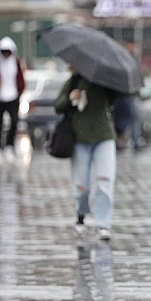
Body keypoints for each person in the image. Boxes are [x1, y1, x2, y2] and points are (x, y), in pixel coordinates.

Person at [53, 69, 121, 241]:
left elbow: (121, 96)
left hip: (104, 137)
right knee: (82, 186)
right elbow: (57, 105)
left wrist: (110, 82)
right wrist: (70, 98)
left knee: (105, 182)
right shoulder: (74, 81)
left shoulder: (106, 80)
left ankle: (103, 224)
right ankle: (81, 216)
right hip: (79, 138)